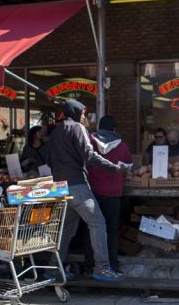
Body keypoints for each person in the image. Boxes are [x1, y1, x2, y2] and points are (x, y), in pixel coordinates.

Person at [47, 99, 126, 281]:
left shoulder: (56, 132)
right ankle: (102, 268)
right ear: (76, 113)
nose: (84, 117)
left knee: (66, 230)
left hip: (59, 187)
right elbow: (89, 155)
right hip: (77, 185)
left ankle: (52, 267)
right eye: (82, 113)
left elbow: (48, 160)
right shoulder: (77, 128)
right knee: (97, 222)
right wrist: (114, 168)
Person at [84, 115, 132, 275]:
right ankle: (112, 264)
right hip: (113, 193)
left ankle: (90, 264)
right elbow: (127, 166)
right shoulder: (123, 145)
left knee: (92, 230)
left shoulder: (90, 142)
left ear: (99, 127)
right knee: (111, 231)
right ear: (114, 129)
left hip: (93, 193)